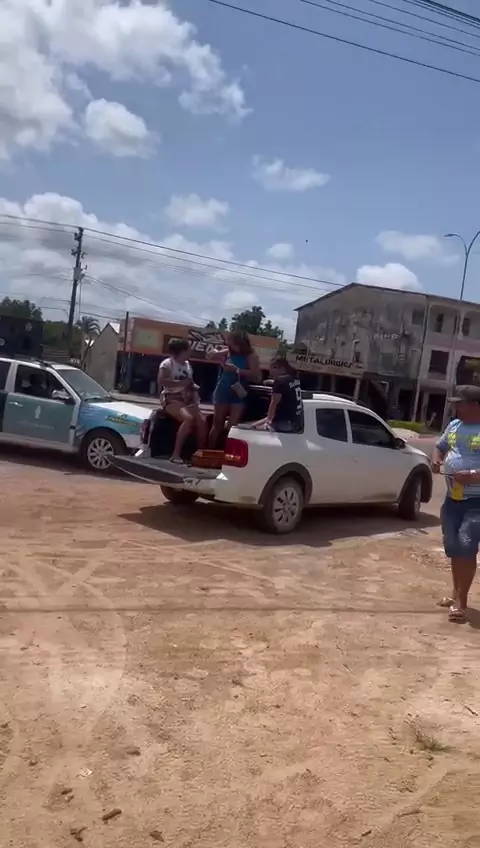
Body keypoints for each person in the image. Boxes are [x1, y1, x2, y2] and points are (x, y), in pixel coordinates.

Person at [432, 385, 480, 622]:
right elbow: (439, 447)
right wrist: (436, 460)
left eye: (459, 404)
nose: (455, 408)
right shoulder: (454, 425)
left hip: (476, 502)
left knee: (466, 547)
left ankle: (462, 601)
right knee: (453, 547)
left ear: (475, 406)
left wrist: (472, 475)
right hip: (452, 499)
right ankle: (455, 593)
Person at [207, 331, 260, 448]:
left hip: (238, 390)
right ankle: (211, 448)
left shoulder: (250, 355)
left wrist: (236, 370)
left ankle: (228, 451)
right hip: (223, 388)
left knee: (233, 425)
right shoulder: (229, 351)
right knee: (218, 422)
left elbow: (255, 374)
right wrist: (217, 353)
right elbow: (209, 355)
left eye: (232, 342)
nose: (230, 345)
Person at [157, 338, 206, 464]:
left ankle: (199, 454)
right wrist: (181, 383)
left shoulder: (188, 365)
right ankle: (175, 454)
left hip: (187, 398)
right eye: (188, 349)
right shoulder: (167, 364)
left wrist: (194, 388)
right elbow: (161, 381)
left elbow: (189, 382)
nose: (190, 352)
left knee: (202, 421)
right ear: (182, 351)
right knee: (188, 419)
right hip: (171, 398)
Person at [253, 356, 303, 432]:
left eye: (271, 370)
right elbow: (286, 385)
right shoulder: (295, 378)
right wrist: (271, 382)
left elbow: (274, 403)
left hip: (282, 422)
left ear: (275, 368)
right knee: (253, 425)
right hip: (293, 421)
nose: (270, 373)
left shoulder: (279, 381)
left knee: (251, 430)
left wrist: (268, 422)